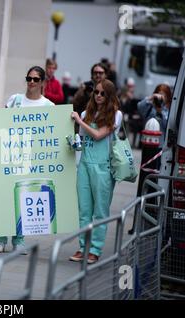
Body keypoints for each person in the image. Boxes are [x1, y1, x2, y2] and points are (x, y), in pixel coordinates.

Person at [0, 66, 55, 254]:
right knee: (4, 196)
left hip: (32, 159)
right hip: (9, 154)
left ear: (42, 83)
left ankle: (19, 240)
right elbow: (1, 121)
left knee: (25, 197)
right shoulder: (15, 100)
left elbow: (54, 132)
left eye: (35, 79)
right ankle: (0, 238)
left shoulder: (48, 106)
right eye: (29, 78)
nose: (31, 82)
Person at [69, 79, 122, 264]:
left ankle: (95, 249)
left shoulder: (116, 115)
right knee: (84, 210)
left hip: (104, 167)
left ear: (109, 96)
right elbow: (83, 141)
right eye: (96, 92)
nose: (98, 96)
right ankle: (83, 247)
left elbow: (99, 135)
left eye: (102, 93)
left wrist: (79, 122)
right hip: (84, 163)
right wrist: (74, 142)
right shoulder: (86, 112)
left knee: (100, 210)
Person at [73, 63, 107, 132]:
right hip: (84, 121)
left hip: (101, 123)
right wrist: (81, 92)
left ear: (105, 74)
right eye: (95, 73)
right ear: (92, 74)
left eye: (100, 73)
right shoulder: (86, 86)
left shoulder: (109, 88)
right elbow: (74, 103)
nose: (98, 75)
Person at [137, 83, 171, 148]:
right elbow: (139, 106)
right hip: (147, 142)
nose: (161, 98)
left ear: (168, 97)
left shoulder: (168, 110)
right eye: (160, 94)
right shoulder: (149, 107)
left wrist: (160, 112)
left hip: (161, 144)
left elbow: (167, 126)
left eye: (164, 96)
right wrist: (151, 97)